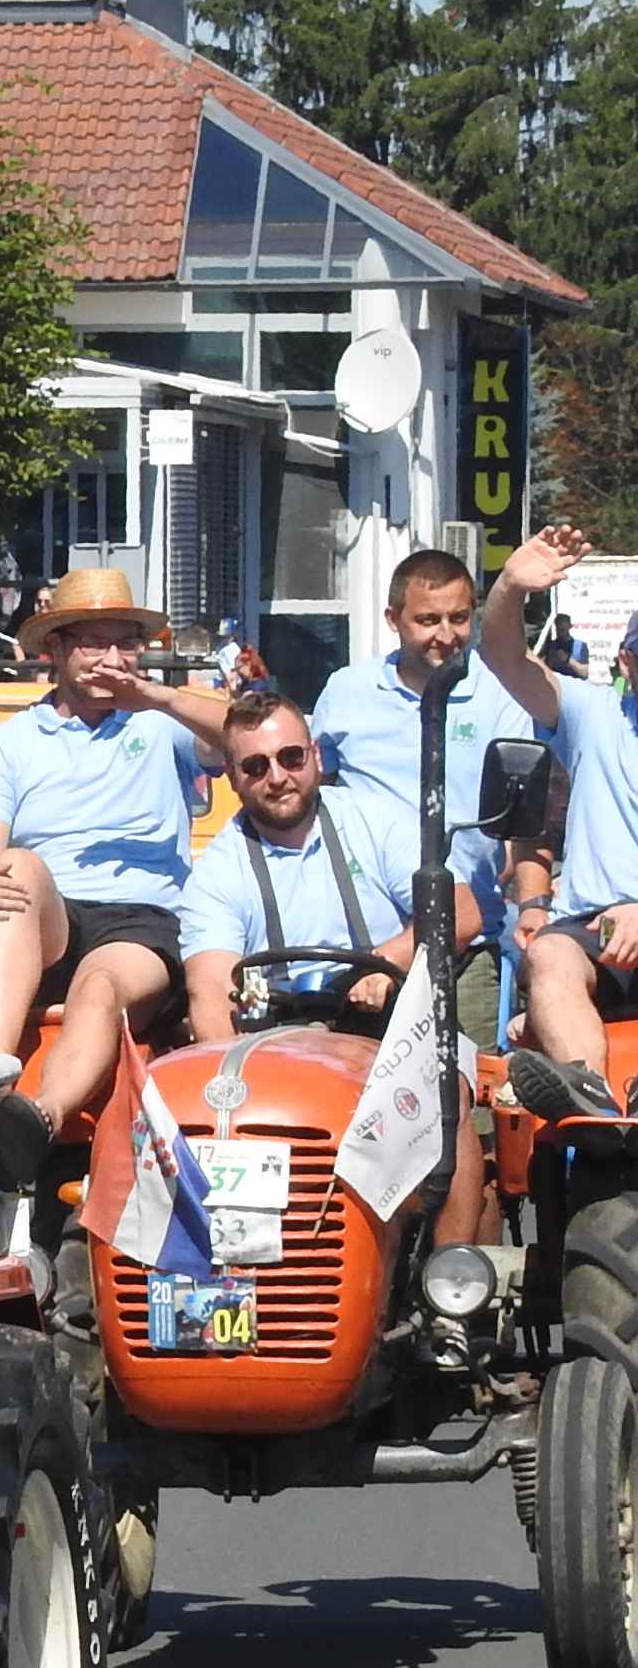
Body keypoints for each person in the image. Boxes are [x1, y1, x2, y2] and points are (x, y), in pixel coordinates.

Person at [0, 565, 224, 1176]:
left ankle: (40, 1115)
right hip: (53, 921)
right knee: (13, 865)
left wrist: (155, 694)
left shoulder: (160, 722)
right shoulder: (10, 741)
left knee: (99, 985)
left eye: (125, 642)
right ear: (57, 649)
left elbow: (255, 736)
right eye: (93, 642)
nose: (111, 658)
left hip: (142, 919)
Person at [177, 687, 488, 1234]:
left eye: (290, 757)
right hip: (275, 1044)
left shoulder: (374, 819)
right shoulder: (218, 871)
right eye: (256, 765)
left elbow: (460, 914)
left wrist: (381, 964)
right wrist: (231, 1091)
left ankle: (449, 1289)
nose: (277, 776)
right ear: (231, 776)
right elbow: (210, 996)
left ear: (315, 755)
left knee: (447, 1091)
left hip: (391, 1031)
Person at [477, 524, 638, 1121]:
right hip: (592, 930)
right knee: (548, 956)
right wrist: (511, 589)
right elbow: (502, 657)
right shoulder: (597, 714)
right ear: (627, 660)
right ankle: (590, 1096)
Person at [309, 549, 533, 953]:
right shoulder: (346, 691)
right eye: (428, 620)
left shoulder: (502, 693)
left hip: (470, 936)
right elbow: (313, 794)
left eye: (459, 618)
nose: (446, 636)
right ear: (393, 619)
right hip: (365, 936)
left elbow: (525, 823)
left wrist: (522, 891)